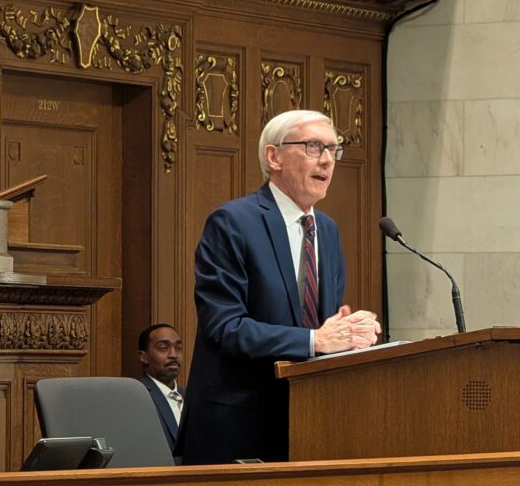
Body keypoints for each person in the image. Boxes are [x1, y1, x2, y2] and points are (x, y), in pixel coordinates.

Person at [178, 109, 382, 465]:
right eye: (313, 147)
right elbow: (225, 328)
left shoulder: (328, 231)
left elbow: (322, 327)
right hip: (238, 428)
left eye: (333, 150)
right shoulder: (233, 223)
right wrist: (315, 341)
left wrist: (349, 333)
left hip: (310, 423)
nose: (327, 161)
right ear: (274, 157)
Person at [138, 323, 184, 455]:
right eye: (163, 348)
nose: (173, 355)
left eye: (178, 348)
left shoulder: (191, 397)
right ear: (143, 357)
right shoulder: (138, 397)